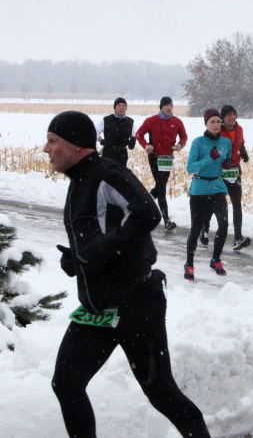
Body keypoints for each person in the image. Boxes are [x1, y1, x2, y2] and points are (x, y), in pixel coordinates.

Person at [45, 111, 210, 438]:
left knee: (161, 391)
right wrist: (77, 260)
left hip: (136, 303)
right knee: (66, 383)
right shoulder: (78, 181)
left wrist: (99, 249)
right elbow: (100, 235)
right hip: (98, 308)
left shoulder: (107, 174)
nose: (46, 148)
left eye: (53, 141)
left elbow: (147, 213)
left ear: (76, 144)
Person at [183, 109, 233, 281]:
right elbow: (190, 168)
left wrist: (227, 164)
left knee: (224, 224)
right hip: (199, 189)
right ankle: (189, 264)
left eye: (218, 121)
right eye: (212, 121)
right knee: (196, 228)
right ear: (206, 123)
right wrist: (209, 159)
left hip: (218, 187)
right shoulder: (198, 142)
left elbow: (227, 159)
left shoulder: (226, 142)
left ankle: (215, 260)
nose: (216, 125)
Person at [135, 96, 187, 231]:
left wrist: (180, 144)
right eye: (166, 106)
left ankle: (140, 206)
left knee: (160, 186)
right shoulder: (151, 120)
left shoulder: (177, 122)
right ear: (161, 108)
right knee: (162, 187)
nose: (169, 108)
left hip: (167, 158)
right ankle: (166, 220)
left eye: (170, 106)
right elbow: (139, 134)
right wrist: (146, 145)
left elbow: (184, 136)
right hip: (155, 157)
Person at [215, 104, 251, 252]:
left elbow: (240, 142)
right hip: (219, 172)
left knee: (237, 204)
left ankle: (238, 237)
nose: (232, 117)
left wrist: (243, 151)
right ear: (223, 118)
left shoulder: (239, 129)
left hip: (235, 171)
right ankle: (205, 228)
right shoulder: (218, 130)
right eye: (228, 114)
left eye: (234, 114)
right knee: (218, 204)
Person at [95, 97, 136, 166]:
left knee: (121, 171)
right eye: (119, 105)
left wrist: (132, 141)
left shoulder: (130, 121)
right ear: (115, 107)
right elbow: (94, 132)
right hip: (108, 152)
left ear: (126, 108)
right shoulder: (107, 120)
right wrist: (101, 140)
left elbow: (133, 135)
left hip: (122, 153)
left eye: (123, 106)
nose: (121, 108)